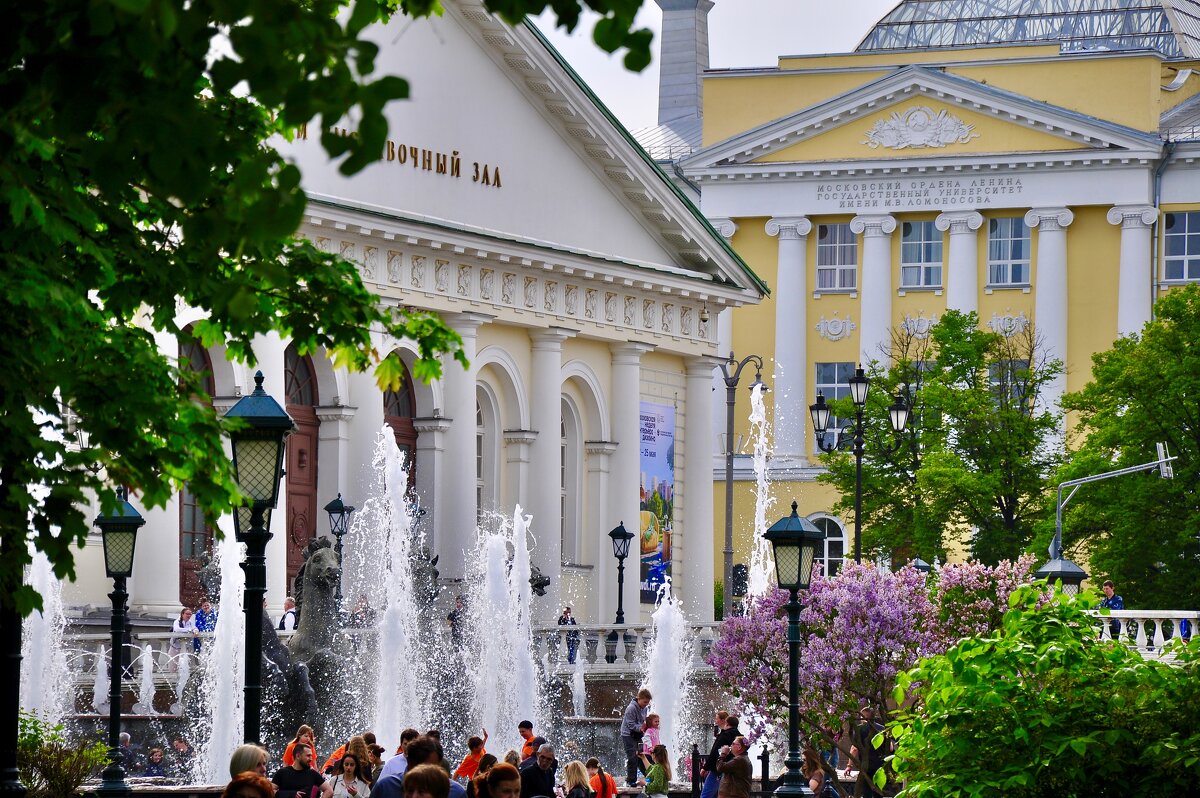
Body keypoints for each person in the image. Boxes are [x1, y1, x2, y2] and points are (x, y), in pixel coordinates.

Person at [844, 707, 888, 798]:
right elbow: (890, 748)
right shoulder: (882, 729)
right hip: (880, 765)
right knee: (878, 792)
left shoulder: (860, 729)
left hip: (866, 766)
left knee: (866, 792)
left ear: (863, 717)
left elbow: (854, 749)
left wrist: (849, 766)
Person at [700, 715, 738, 798]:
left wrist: (705, 768)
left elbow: (714, 753)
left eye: (716, 718)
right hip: (731, 770)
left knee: (706, 795)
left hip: (717, 769)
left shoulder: (724, 735)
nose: (715, 720)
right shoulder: (739, 737)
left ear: (726, 723)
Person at [619, 688, 652, 786]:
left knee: (642, 755)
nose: (646, 704)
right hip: (628, 735)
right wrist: (641, 728)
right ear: (639, 698)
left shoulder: (644, 708)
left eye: (647, 703)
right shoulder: (631, 708)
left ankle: (649, 777)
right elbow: (630, 725)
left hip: (637, 734)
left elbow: (642, 722)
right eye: (645, 702)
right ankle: (630, 780)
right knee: (632, 757)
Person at [168, 607, 196, 672]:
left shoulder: (190, 623)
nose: (189, 616)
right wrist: (189, 630)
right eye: (187, 614)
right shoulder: (177, 621)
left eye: (190, 614)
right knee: (172, 667)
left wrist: (195, 630)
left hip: (184, 647)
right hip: (175, 647)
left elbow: (194, 628)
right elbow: (177, 629)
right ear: (182, 614)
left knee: (184, 666)